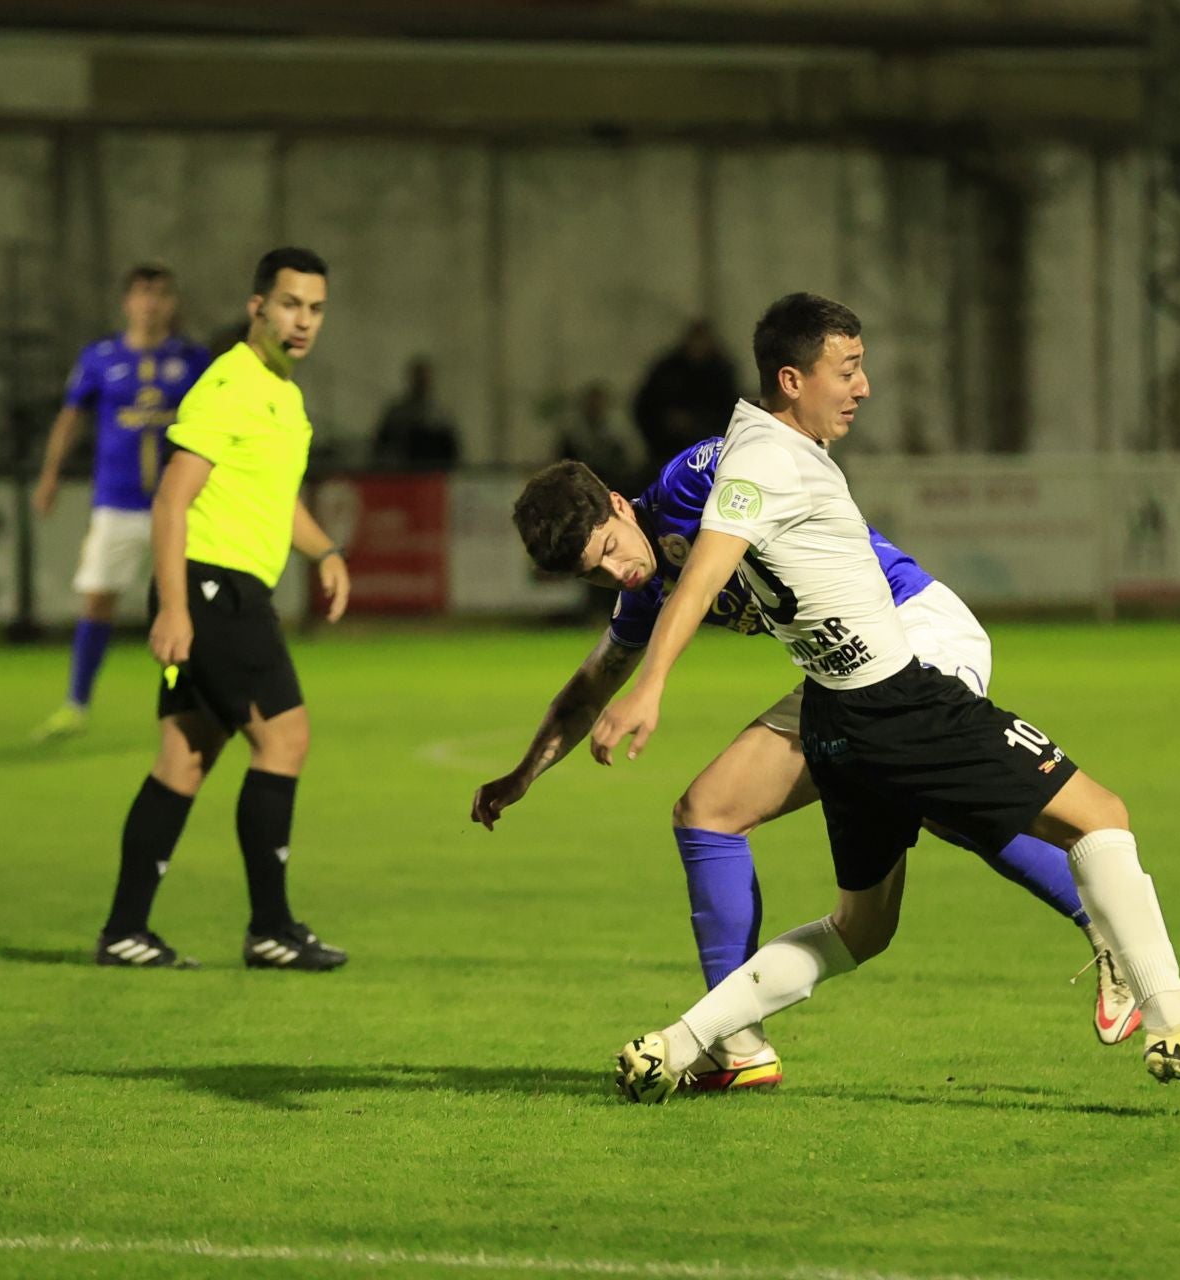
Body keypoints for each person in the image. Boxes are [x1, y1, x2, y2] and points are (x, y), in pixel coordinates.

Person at [595, 293, 1180, 1101]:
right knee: (1100, 816)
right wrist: (650, 687)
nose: (863, 387)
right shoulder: (762, 462)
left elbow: (711, 566)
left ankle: (682, 1042)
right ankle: (1175, 1023)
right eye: (847, 371)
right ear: (791, 380)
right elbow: (708, 572)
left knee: (861, 929)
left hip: (834, 719)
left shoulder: (756, 448)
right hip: (899, 705)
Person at [477, 447, 1140, 1092]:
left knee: (933, 798)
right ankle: (734, 1042)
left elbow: (755, 474)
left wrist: (650, 686)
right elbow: (588, 689)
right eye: (594, 572)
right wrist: (522, 774)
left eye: (612, 547)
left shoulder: (696, 478)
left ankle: (1115, 935)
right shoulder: (648, 586)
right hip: (844, 672)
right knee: (710, 811)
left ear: (620, 504)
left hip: (912, 630)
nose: (617, 572)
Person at [94, 247, 351, 972]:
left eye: (315, 308)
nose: (303, 320)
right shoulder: (229, 384)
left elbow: (273, 501)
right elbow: (171, 500)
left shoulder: (283, 393)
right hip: (212, 593)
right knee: (286, 740)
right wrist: (173, 609)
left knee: (182, 758)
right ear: (258, 308)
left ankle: (124, 931)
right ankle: (270, 929)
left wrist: (325, 551)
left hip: (224, 591)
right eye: (290, 304)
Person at [31, 265, 214, 740]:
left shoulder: (194, 360)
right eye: (143, 293)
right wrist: (50, 474)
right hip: (117, 504)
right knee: (97, 601)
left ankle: (188, 703)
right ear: (127, 302)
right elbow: (71, 417)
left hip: (181, 507)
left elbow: (218, 424)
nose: (151, 303)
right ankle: (76, 704)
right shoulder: (100, 358)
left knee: (186, 607)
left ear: (173, 303)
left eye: (160, 294)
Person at [631, 320, 738, 464]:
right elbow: (645, 406)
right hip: (667, 451)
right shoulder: (668, 370)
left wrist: (698, 423)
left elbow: (728, 411)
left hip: (707, 452)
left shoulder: (720, 373)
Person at [371, 356, 460, 471]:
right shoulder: (397, 414)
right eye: (419, 378)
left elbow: (452, 452)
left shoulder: (441, 416)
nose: (422, 382)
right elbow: (381, 447)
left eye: (425, 378)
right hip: (403, 476)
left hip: (433, 476)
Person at [555, 381, 642, 494]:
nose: (595, 407)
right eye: (591, 403)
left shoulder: (615, 437)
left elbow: (624, 468)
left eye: (598, 403)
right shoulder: (572, 436)